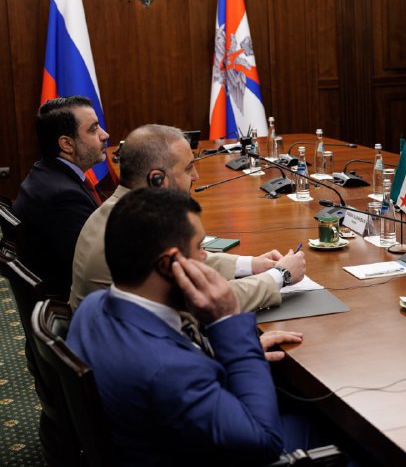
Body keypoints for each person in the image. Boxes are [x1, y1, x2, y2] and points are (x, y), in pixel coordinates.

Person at [67, 188, 304, 464]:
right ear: (168, 265)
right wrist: (233, 332)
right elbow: (265, 443)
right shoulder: (170, 370)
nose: (205, 258)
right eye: (200, 247)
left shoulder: (92, 307)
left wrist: (233, 354)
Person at [70, 124, 304, 311]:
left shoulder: (121, 208)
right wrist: (280, 275)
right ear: (157, 179)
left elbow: (188, 263)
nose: (196, 176)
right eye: (188, 168)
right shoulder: (139, 229)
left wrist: (251, 265)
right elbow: (208, 301)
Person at [13, 96, 109, 296]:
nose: (104, 135)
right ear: (67, 144)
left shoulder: (46, 171)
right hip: (72, 299)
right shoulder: (63, 198)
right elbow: (98, 265)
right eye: (93, 129)